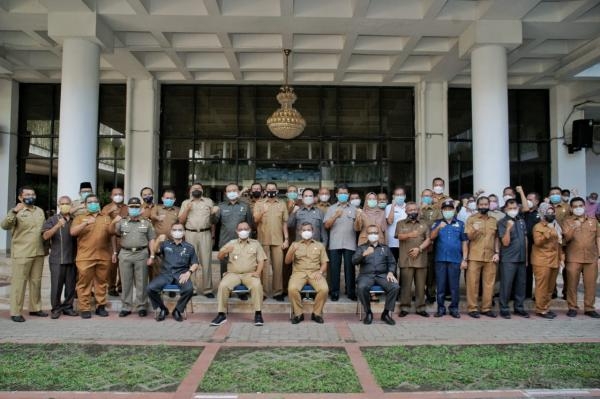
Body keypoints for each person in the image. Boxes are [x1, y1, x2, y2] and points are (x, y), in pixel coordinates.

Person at [1, 186, 47, 322]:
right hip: (22, 252)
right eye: (27, 194)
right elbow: (4, 225)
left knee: (36, 282)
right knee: (19, 283)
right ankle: (15, 312)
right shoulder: (16, 212)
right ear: (20, 197)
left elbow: (43, 230)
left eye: (32, 194)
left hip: (38, 251)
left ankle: (35, 308)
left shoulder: (39, 211)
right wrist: (14, 211)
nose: (30, 196)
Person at [71, 193, 119, 319]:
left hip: (103, 256)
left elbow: (112, 234)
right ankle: (85, 308)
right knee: (84, 284)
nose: (93, 204)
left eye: (95, 202)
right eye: (90, 202)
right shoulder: (80, 218)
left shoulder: (106, 218)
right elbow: (73, 232)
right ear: (86, 205)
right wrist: (85, 223)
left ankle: (101, 306)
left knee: (102, 283)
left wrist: (114, 252)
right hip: (85, 256)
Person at [211, 222, 266, 326]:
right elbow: (219, 257)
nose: (243, 231)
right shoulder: (231, 243)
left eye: (246, 229)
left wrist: (258, 273)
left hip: (250, 274)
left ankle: (258, 314)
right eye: (240, 229)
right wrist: (225, 251)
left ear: (249, 230)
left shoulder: (256, 244)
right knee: (223, 285)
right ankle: (221, 314)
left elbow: (261, 260)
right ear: (236, 231)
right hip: (233, 274)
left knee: (257, 285)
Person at [113, 197, 156, 318]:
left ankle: (141, 306)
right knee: (126, 282)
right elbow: (113, 234)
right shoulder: (122, 222)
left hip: (141, 254)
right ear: (128, 208)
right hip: (125, 253)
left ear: (140, 208)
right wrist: (115, 253)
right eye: (132, 207)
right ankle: (126, 307)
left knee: (142, 281)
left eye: (137, 207)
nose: (134, 209)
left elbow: (151, 239)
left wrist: (152, 255)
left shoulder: (146, 222)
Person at [147, 223, 200, 322]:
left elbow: (195, 263)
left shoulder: (189, 247)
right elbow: (155, 251)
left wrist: (188, 273)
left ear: (184, 232)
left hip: (181, 275)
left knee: (189, 289)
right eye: (175, 230)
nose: (177, 232)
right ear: (171, 232)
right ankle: (163, 309)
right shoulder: (165, 244)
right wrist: (158, 241)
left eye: (180, 230)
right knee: (150, 288)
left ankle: (177, 310)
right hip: (165, 274)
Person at [352, 225, 399, 325]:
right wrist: (364, 254)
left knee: (394, 286)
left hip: (382, 275)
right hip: (366, 275)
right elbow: (354, 261)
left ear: (378, 235)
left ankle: (385, 313)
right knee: (361, 287)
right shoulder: (362, 248)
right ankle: (368, 312)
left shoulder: (385, 248)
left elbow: (392, 262)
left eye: (375, 233)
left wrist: (390, 272)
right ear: (367, 235)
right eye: (370, 233)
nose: (373, 235)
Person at [562, 197, 600, 318]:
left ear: (584, 206)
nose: (578, 208)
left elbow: (598, 239)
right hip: (573, 258)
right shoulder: (567, 221)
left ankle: (589, 308)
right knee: (572, 284)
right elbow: (566, 238)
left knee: (590, 284)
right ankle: (572, 307)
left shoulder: (594, 221)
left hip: (591, 258)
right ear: (572, 209)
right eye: (575, 206)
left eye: (580, 206)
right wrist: (574, 226)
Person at [430, 200, 468, 318]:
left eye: (450, 209)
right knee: (440, 286)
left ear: (454, 210)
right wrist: (438, 228)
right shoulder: (437, 223)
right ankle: (440, 308)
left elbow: (464, 242)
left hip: (455, 259)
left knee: (454, 286)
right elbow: (431, 237)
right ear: (442, 211)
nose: (448, 211)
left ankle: (454, 308)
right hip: (440, 258)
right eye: (445, 209)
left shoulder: (461, 224)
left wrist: (465, 259)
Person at [42, 195, 78, 319]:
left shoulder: (75, 220)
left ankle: (68, 307)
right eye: (62, 204)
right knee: (56, 286)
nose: (65, 205)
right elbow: (45, 236)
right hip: (57, 259)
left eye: (67, 203)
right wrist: (57, 226)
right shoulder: (52, 219)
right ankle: (56, 309)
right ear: (58, 206)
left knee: (70, 286)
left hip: (72, 259)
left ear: (71, 205)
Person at [285, 222, 329, 324]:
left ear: (313, 232)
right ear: (300, 232)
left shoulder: (319, 245)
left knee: (324, 289)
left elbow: (324, 263)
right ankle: (298, 314)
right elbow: (287, 262)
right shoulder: (294, 244)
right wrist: (292, 251)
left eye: (309, 230)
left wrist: (321, 272)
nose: (306, 232)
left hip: (315, 273)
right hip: (299, 273)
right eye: (304, 230)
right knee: (292, 289)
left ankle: (316, 313)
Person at [179, 182, 216, 298]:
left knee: (206, 262)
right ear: (190, 190)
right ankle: (192, 288)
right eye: (194, 188)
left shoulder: (208, 201)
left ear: (202, 190)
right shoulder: (186, 203)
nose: (196, 189)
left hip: (206, 233)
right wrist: (187, 210)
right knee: (190, 262)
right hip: (190, 233)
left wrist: (213, 235)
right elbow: (181, 221)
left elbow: (213, 220)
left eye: (199, 188)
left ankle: (207, 289)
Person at [253, 182, 289, 300]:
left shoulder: (282, 204)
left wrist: (286, 239)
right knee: (263, 267)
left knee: (278, 267)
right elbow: (255, 220)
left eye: (273, 189)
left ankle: (277, 292)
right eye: (269, 189)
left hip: (278, 240)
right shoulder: (259, 203)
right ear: (265, 191)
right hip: (263, 240)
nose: (271, 191)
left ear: (277, 191)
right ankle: (262, 292)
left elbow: (284, 223)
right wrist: (262, 211)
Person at [465, 196, 500, 318]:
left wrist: (497, 252)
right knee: (472, 283)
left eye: (486, 204)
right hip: (474, 256)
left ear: (489, 205)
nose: (484, 206)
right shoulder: (471, 219)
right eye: (481, 204)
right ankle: (472, 308)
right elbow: (468, 237)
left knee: (489, 284)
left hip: (490, 256)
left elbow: (496, 238)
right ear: (478, 205)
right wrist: (474, 230)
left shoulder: (493, 220)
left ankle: (486, 308)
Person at [396, 202, 431, 317]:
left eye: (415, 209)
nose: (413, 212)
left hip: (421, 259)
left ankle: (421, 308)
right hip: (406, 259)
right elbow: (399, 236)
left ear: (418, 211)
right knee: (406, 286)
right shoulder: (400, 223)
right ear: (406, 211)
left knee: (421, 286)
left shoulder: (424, 224)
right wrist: (410, 234)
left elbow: (428, 240)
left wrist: (419, 249)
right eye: (410, 210)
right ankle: (405, 307)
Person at [324, 184, 358, 301]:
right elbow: (327, 225)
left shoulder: (354, 209)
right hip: (335, 243)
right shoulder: (331, 208)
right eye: (341, 193)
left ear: (348, 195)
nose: (343, 195)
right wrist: (335, 216)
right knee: (334, 269)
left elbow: (358, 227)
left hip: (350, 243)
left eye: (345, 193)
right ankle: (335, 292)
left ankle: (351, 292)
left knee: (350, 269)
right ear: (337, 195)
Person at [497, 199, 529, 319]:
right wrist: (508, 228)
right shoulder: (502, 222)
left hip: (521, 258)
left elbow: (525, 239)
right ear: (505, 209)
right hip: (509, 259)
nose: (513, 210)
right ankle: (504, 308)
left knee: (521, 284)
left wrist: (526, 258)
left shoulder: (521, 221)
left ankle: (519, 308)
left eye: (515, 208)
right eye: (510, 208)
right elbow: (505, 243)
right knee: (507, 285)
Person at [213, 183, 253, 278]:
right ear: (225, 193)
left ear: (238, 192)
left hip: (242, 243)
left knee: (242, 267)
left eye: (234, 190)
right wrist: (212, 214)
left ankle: (241, 292)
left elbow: (249, 224)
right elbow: (214, 222)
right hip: (225, 242)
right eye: (229, 191)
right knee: (224, 268)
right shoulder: (221, 206)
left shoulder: (245, 206)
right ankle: (226, 290)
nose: (232, 193)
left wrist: (249, 242)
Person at [531, 205, 563, 319]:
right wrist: (547, 233)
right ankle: (540, 309)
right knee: (542, 287)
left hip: (554, 260)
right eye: (548, 212)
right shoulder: (538, 226)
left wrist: (561, 258)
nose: (551, 214)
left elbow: (558, 244)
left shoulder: (556, 226)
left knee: (550, 288)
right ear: (543, 213)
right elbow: (538, 242)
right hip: (541, 260)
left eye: (552, 212)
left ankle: (546, 307)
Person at [101, 187, 128, 297]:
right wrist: (109, 212)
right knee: (112, 264)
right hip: (111, 238)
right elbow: (101, 222)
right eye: (115, 194)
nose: (118, 196)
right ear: (111, 196)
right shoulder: (106, 208)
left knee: (124, 263)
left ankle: (121, 285)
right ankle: (111, 286)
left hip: (125, 238)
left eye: (120, 194)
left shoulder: (127, 207)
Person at [149, 189, 180, 280]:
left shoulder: (177, 210)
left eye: (171, 198)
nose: (169, 200)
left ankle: (171, 287)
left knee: (172, 265)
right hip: (158, 242)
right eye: (167, 198)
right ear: (162, 198)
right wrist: (158, 217)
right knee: (157, 265)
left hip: (172, 242)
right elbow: (152, 215)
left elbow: (180, 224)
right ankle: (157, 287)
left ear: (174, 199)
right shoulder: (157, 207)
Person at [419, 189, 441, 304]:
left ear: (432, 197)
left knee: (431, 271)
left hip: (433, 244)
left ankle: (431, 294)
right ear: (421, 197)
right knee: (420, 271)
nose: (427, 198)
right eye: (424, 196)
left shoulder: (437, 211)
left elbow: (438, 225)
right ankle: (420, 293)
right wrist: (421, 211)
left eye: (429, 196)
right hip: (418, 244)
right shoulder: (417, 209)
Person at [384, 187, 407, 261]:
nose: (399, 196)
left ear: (405, 196)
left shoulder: (408, 207)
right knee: (392, 265)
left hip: (405, 242)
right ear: (393, 196)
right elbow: (390, 221)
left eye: (401, 194)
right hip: (392, 242)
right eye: (397, 195)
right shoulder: (388, 207)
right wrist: (393, 206)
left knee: (404, 266)